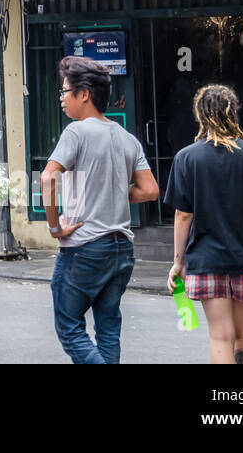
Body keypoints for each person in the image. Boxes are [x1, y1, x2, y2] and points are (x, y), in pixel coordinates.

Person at [41, 56, 159, 365]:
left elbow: (48, 177)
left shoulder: (76, 133)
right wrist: (115, 191)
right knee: (108, 328)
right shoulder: (126, 137)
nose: (62, 98)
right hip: (122, 247)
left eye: (65, 91)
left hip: (84, 246)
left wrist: (55, 228)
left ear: (84, 94)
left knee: (69, 327)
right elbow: (150, 190)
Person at [164, 85, 243, 364]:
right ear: (234, 113)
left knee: (220, 336)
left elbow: (183, 215)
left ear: (201, 115)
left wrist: (178, 262)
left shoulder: (186, 157)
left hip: (207, 260)